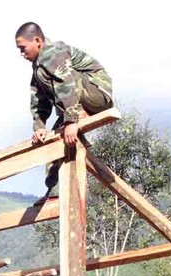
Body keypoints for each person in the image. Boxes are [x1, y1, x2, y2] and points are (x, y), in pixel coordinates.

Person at [15, 22, 114, 195]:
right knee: (55, 140)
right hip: (76, 102)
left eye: (23, 48)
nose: (21, 54)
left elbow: (67, 84)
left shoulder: (54, 53)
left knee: (65, 81)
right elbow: (38, 98)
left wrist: (71, 121)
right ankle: (55, 192)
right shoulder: (38, 66)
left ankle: (77, 115)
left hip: (98, 93)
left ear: (37, 40)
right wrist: (39, 127)